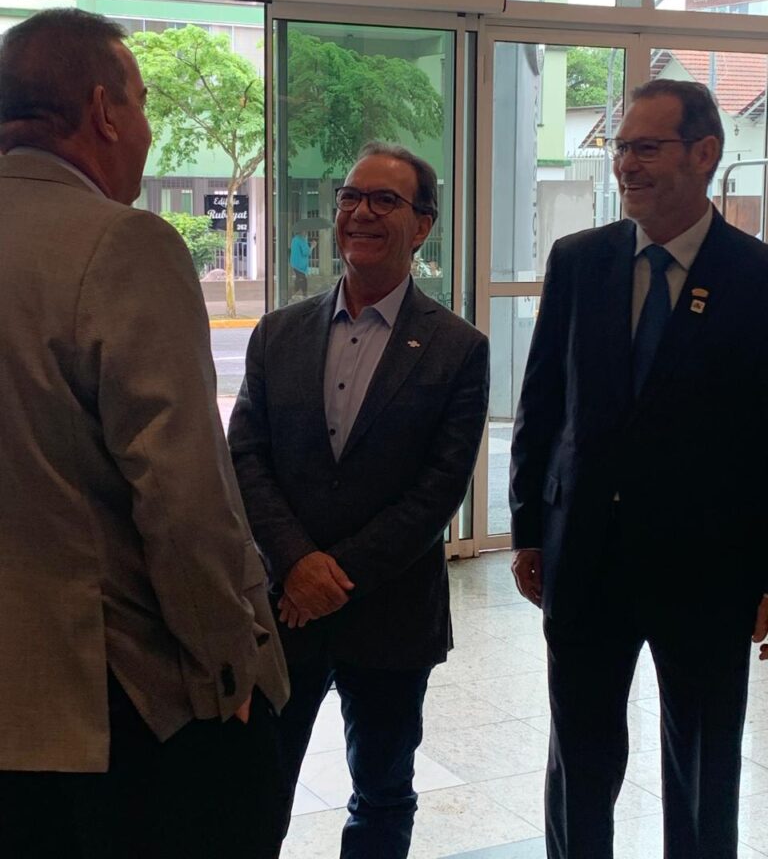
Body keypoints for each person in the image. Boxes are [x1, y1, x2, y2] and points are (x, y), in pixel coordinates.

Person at [0, 8, 289, 859]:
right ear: (103, 110)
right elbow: (184, 499)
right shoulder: (124, 246)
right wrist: (229, 666)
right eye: (143, 100)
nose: (150, 129)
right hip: (112, 710)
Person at [509, 77, 768, 859]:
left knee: (702, 765)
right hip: (585, 558)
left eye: (646, 147)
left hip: (708, 573)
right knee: (579, 762)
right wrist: (528, 528)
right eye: (622, 147)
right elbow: (543, 404)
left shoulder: (758, 278)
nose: (626, 164)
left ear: (706, 154)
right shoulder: (579, 261)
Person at [229, 141, 489, 858]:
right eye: (351, 196)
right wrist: (295, 564)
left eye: (385, 200)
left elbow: (439, 488)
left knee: (381, 792)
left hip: (391, 616)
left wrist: (331, 578)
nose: (361, 213)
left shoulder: (458, 348)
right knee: (257, 788)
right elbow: (245, 455)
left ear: (423, 225)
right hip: (284, 609)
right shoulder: (279, 332)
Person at [290, 230, 311, 298]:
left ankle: (294, 293)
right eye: (305, 232)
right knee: (303, 280)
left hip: (294, 264)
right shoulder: (301, 240)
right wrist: (312, 246)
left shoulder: (294, 239)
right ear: (302, 232)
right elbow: (306, 252)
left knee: (299, 279)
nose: (306, 233)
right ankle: (304, 295)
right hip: (300, 265)